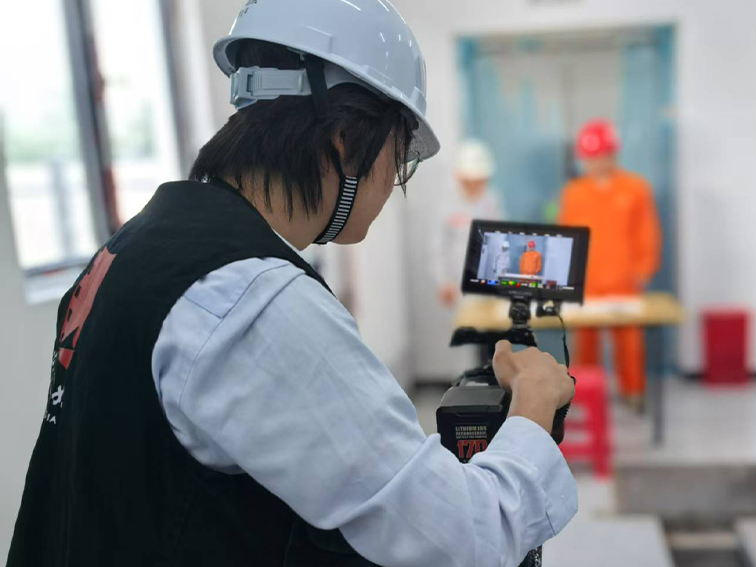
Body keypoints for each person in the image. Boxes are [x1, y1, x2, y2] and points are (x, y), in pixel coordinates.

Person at [6, 2, 576, 566]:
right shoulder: (251, 296)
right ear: (347, 141)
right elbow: (458, 538)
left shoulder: (138, 245)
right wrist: (534, 400)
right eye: (399, 158)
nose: (392, 184)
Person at [558, 119, 662, 411]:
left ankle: (633, 392)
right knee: (585, 342)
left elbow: (648, 231)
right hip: (586, 281)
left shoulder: (636, 189)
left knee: (629, 341)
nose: (597, 163)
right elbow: (565, 235)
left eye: (603, 156)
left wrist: (644, 268)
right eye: (591, 158)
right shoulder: (574, 193)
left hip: (624, 279)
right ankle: (585, 396)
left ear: (614, 154)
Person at [431, 139, 503, 307]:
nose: (476, 185)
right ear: (461, 178)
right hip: (458, 290)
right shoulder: (447, 204)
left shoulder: (491, 200)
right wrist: (443, 282)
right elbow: (438, 247)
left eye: (480, 180)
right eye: (472, 180)